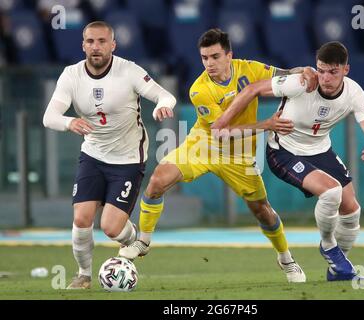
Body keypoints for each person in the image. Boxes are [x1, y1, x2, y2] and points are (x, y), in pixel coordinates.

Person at [119, 28, 318, 283]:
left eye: (214, 57)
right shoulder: (199, 89)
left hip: (240, 155)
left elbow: (285, 75)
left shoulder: (250, 69)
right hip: (204, 144)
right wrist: (265, 125)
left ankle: (286, 259)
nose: (209, 64)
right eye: (204, 58)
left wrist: (304, 71)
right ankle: (143, 241)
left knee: (261, 210)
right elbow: (221, 132)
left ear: (229, 56)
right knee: (158, 179)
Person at [212, 41, 364, 281]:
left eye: (332, 72)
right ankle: (328, 246)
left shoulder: (354, 92)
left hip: (320, 151)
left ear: (346, 70)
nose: (324, 78)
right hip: (284, 151)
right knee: (331, 192)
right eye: (321, 70)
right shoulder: (301, 83)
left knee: (352, 211)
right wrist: (223, 121)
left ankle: (338, 268)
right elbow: (252, 89)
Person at [42, 21, 176, 289]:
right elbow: (49, 117)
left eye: (102, 41)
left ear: (113, 45)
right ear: (83, 45)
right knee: (81, 218)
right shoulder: (71, 75)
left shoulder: (129, 71)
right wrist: (70, 123)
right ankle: (83, 275)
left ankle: (133, 237)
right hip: (93, 154)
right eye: (90, 41)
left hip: (128, 159)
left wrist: (162, 106)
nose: (96, 47)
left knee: (111, 228)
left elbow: (166, 96)